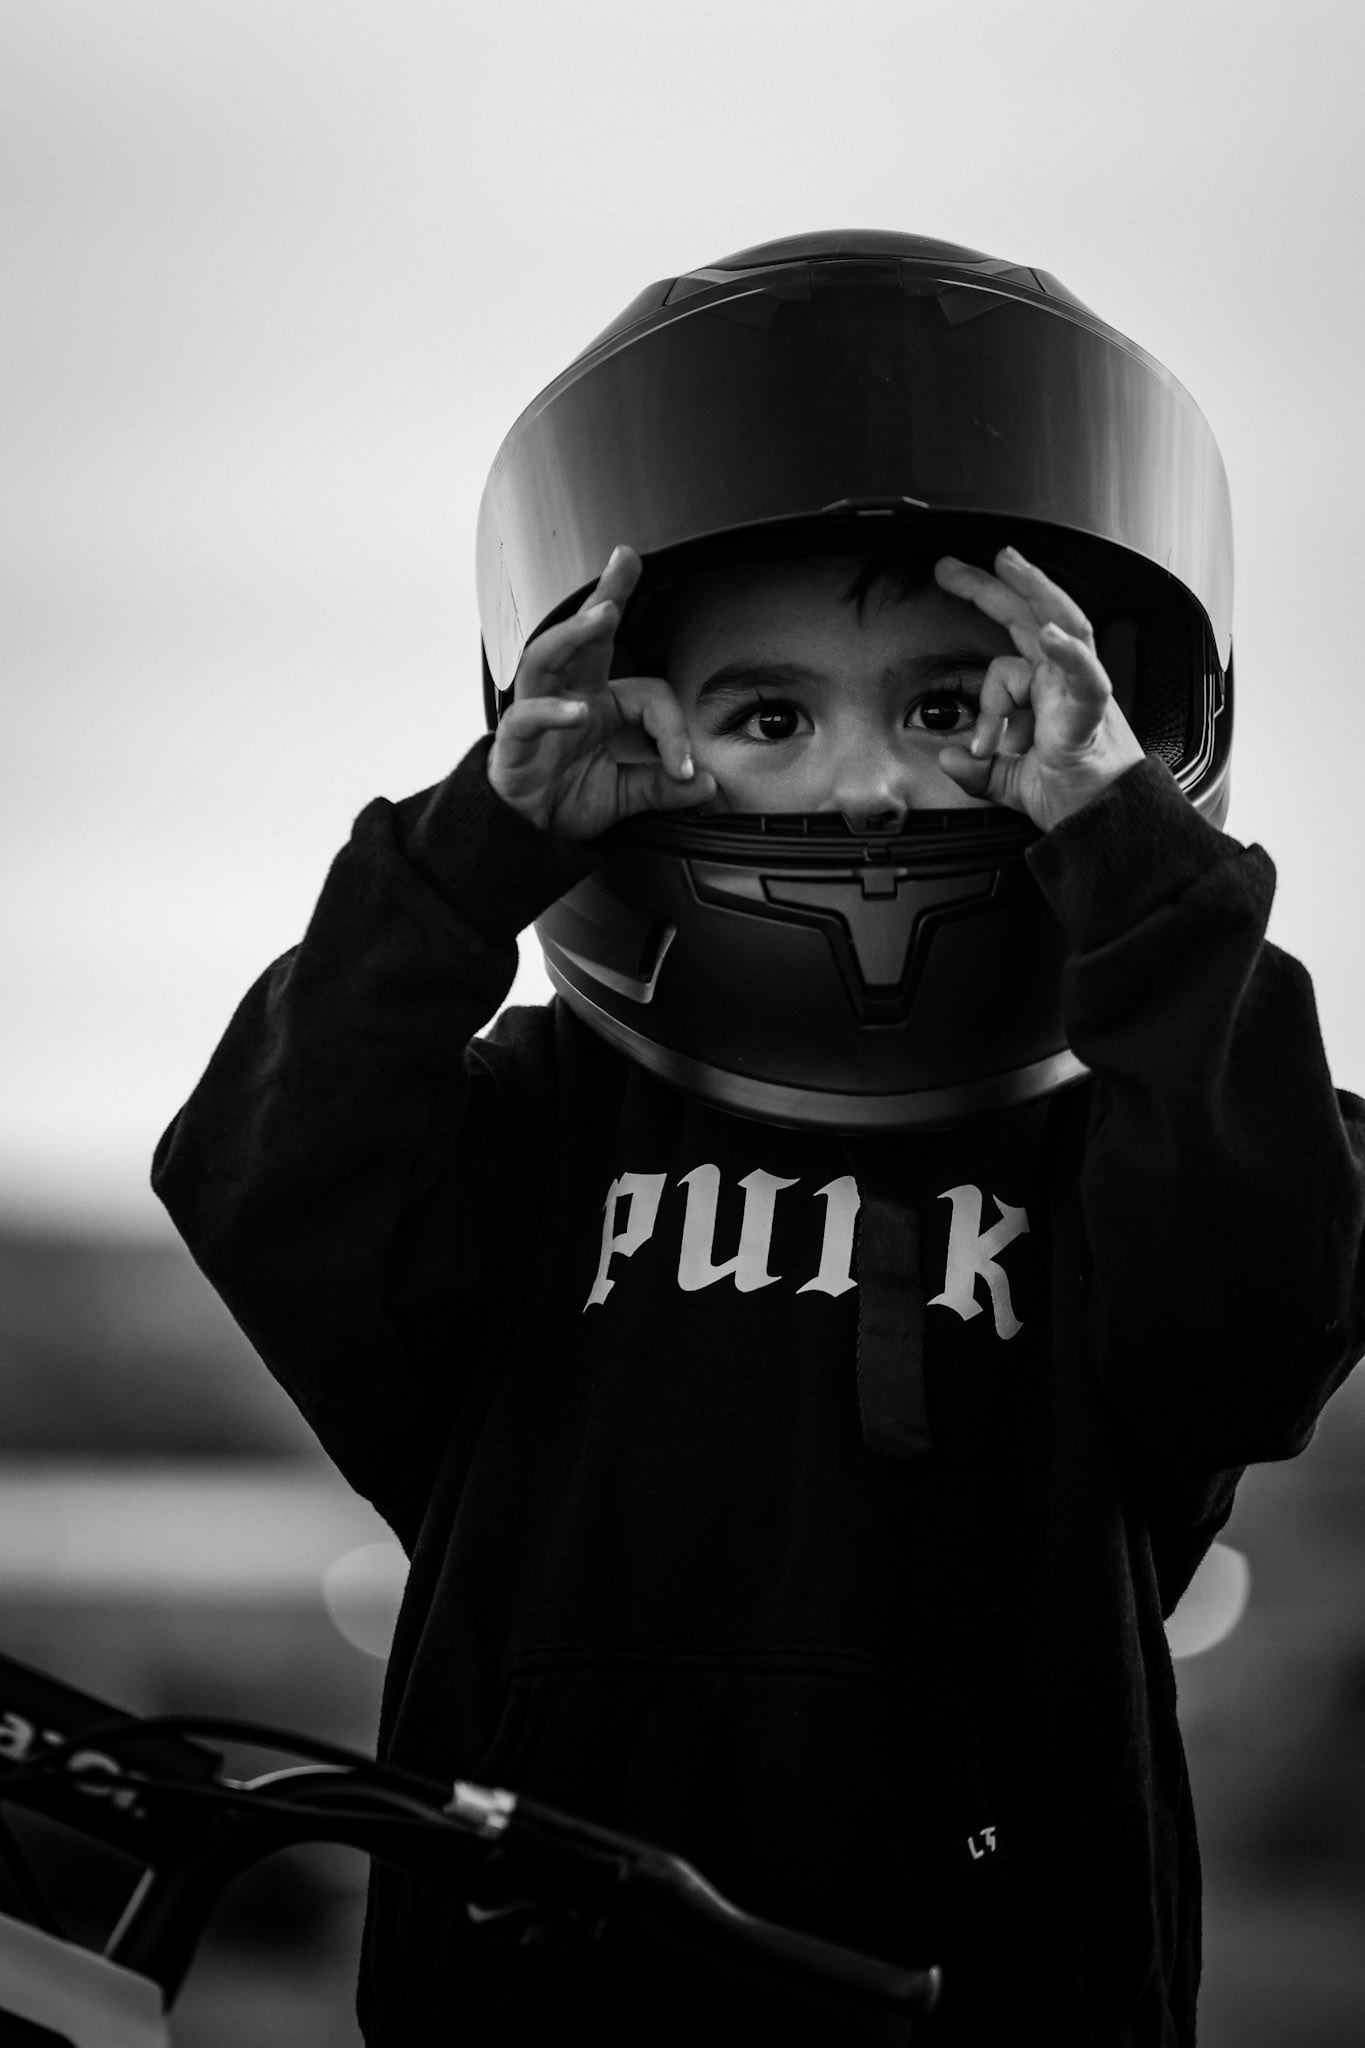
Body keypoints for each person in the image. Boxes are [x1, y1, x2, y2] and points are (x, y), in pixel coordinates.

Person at [153, 233, 1365, 2046]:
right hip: (533, 1986)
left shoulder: (1160, 1126)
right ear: (631, 733)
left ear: (1116, 727)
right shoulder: (520, 1127)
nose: (866, 787)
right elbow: (259, 1175)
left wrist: (1138, 869)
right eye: (771, 718)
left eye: (947, 711)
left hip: (990, 1997)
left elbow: (1259, 1326)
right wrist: (471, 852)